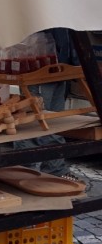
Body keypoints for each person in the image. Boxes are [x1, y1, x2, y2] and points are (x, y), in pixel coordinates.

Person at [12, 27, 80, 179]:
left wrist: (74, 65)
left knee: (54, 124)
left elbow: (66, 38)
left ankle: (54, 169)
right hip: (40, 69)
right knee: (32, 124)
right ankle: (23, 172)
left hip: (59, 70)